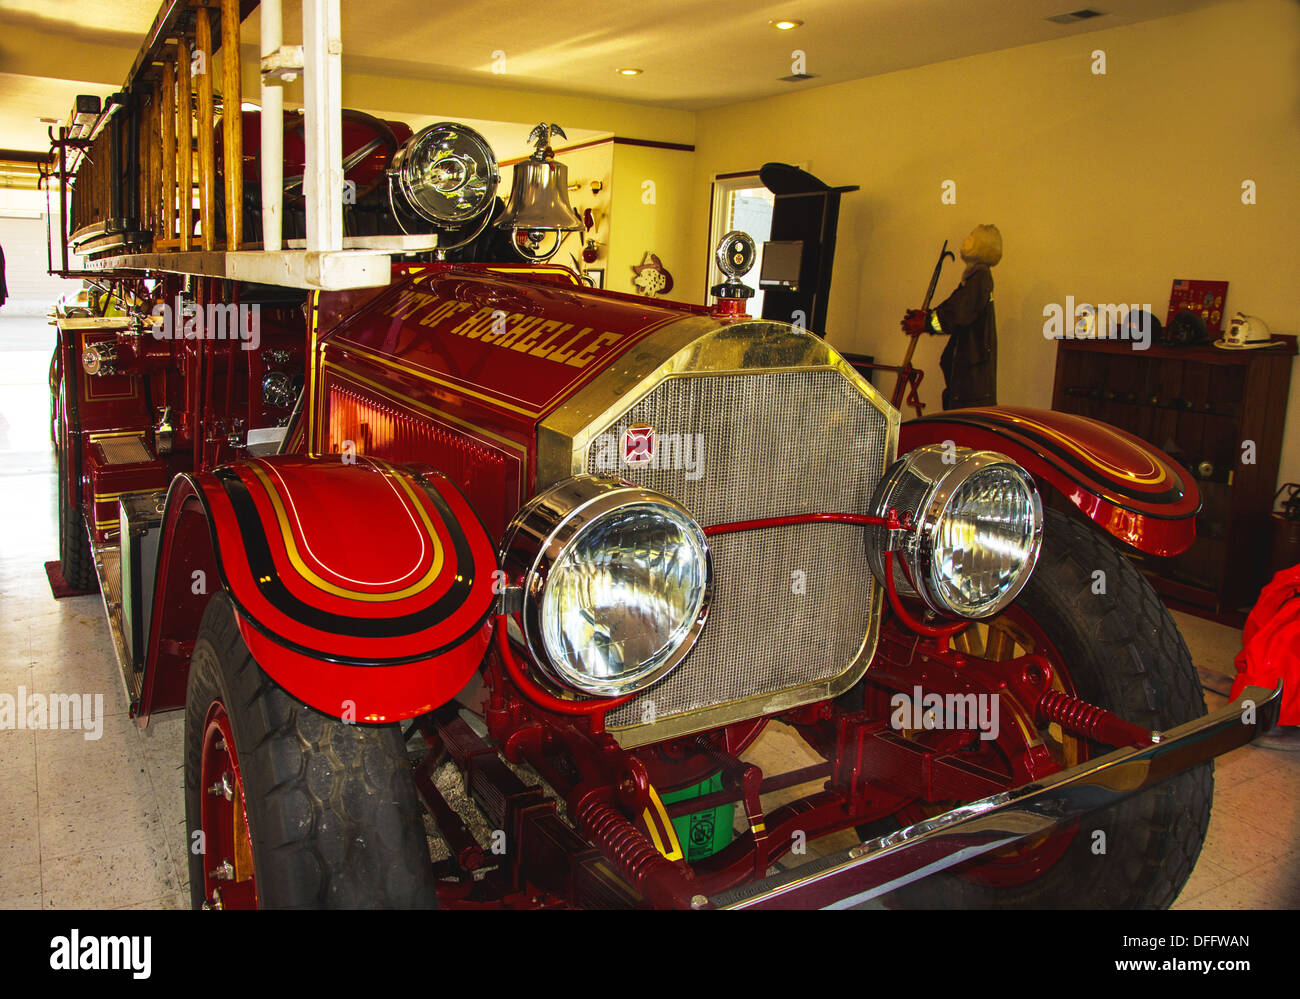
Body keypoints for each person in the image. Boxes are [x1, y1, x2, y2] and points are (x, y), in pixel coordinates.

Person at [901, 224, 1001, 409]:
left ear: (981, 246)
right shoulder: (974, 277)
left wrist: (925, 323)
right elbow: (954, 304)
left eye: (971, 236)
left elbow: (959, 312)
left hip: (972, 388)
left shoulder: (981, 277)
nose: (966, 239)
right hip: (967, 382)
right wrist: (927, 316)